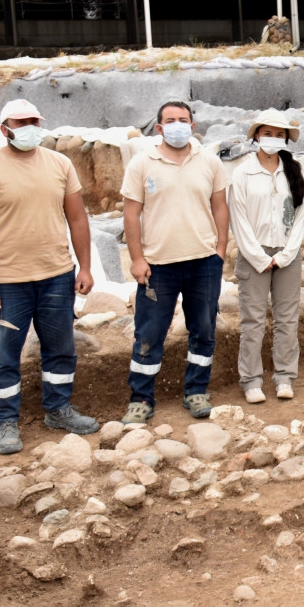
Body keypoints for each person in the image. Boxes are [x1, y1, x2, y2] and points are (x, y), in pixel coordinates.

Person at [0, 99, 100, 455]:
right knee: (5, 354)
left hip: (57, 275)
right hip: (8, 282)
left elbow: (78, 219)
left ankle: (58, 410)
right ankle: (6, 422)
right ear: (4, 128)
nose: (29, 127)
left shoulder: (60, 164)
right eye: (20, 122)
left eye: (34, 121)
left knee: (61, 348)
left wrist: (84, 266)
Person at [119, 100, 230, 424]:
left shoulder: (209, 161)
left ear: (193, 126)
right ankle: (140, 398)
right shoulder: (142, 164)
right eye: (171, 120)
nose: (178, 124)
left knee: (204, 330)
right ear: (159, 127)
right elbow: (131, 213)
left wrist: (220, 249)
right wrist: (136, 258)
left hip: (203, 262)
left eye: (184, 119)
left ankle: (196, 391)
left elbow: (220, 206)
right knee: (149, 333)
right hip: (158, 267)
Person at [227, 110, 304, 404]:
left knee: (287, 319)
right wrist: (259, 257)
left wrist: (286, 254)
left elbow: (300, 215)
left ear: (286, 139)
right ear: (257, 136)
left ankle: (284, 376)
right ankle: (251, 379)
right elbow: (239, 218)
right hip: (254, 253)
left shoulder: (294, 171)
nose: (273, 139)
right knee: (253, 320)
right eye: (267, 133)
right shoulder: (243, 173)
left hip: (287, 254)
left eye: (279, 134)